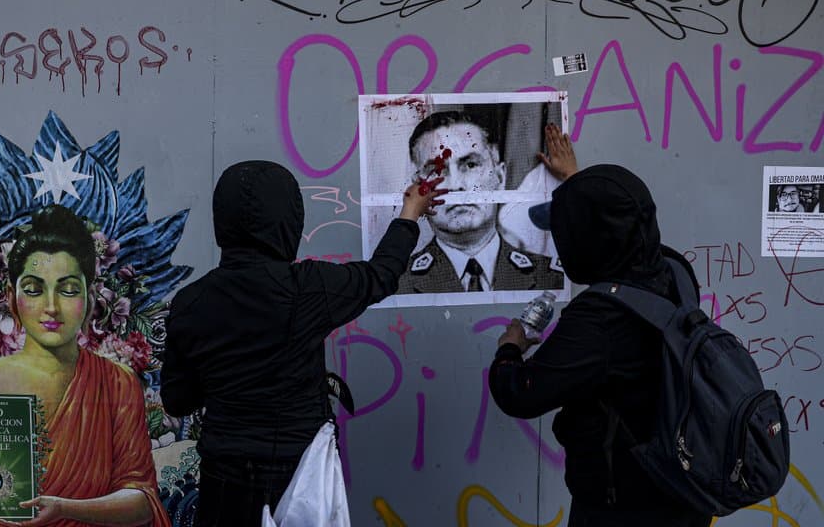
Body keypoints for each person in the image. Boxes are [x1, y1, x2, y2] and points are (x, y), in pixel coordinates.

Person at [159, 160, 446, 527]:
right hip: (298, 482)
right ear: (288, 219)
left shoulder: (191, 302)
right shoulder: (308, 288)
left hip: (223, 484)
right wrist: (410, 212)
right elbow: (381, 275)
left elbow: (178, 399)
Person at [488, 164, 713, 527]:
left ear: (587, 239)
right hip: (682, 489)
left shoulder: (600, 317)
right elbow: (616, 223)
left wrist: (509, 349)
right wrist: (577, 187)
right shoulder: (674, 271)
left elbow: (520, 393)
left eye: (565, 233)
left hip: (625, 507)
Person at [0, 204, 171, 527]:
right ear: (12, 297)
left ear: (90, 298)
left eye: (68, 290)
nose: (51, 307)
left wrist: (65, 508)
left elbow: (141, 500)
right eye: (34, 290)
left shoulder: (117, 384)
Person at [395, 110, 564, 294]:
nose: (456, 185)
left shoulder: (552, 279)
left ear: (500, 177)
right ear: (419, 188)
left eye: (471, 165)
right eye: (436, 171)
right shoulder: (396, 286)